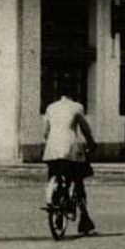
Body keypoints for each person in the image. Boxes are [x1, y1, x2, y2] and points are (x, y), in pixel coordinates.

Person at [43, 88, 98, 235]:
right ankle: (84, 220)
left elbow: (45, 132)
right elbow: (85, 129)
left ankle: (57, 207)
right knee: (78, 181)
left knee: (55, 175)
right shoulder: (77, 107)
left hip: (52, 150)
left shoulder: (50, 107)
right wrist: (92, 143)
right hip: (71, 149)